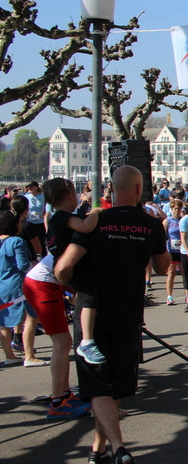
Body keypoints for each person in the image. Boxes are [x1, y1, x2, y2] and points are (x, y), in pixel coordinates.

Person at [55, 165, 170, 464]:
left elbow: (63, 267)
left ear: (111, 188)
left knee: (98, 385)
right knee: (113, 382)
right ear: (138, 189)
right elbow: (162, 268)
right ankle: (99, 447)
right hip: (129, 312)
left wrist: (79, 290)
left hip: (93, 313)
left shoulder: (96, 221)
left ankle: (116, 446)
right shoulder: (150, 224)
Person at [24, 178, 101, 415]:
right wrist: (97, 211)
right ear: (68, 195)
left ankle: (63, 392)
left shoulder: (58, 217)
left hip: (49, 281)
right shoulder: (62, 216)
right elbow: (87, 227)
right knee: (62, 342)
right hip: (42, 283)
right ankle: (59, 400)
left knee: (63, 341)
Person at [0, 209, 32, 365]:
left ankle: (9, 355)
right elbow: (23, 265)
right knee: (29, 318)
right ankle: (29, 354)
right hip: (16, 285)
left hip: (1, 285)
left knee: (3, 322)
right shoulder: (16, 242)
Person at [163, 199, 185, 305]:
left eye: (179, 209)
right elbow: (163, 236)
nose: (177, 211)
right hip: (171, 250)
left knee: (184, 273)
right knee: (171, 273)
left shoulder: (182, 220)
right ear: (171, 209)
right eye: (175, 209)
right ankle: (169, 296)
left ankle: (187, 295)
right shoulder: (167, 221)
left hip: (181, 249)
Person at [21, 180, 46, 258]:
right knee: (30, 242)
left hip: (39, 222)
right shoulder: (26, 196)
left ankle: (43, 259)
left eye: (32, 187)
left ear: (37, 187)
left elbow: (47, 208)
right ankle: (31, 257)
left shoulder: (42, 196)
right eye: (29, 187)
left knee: (41, 242)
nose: (30, 188)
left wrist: (44, 215)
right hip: (29, 222)